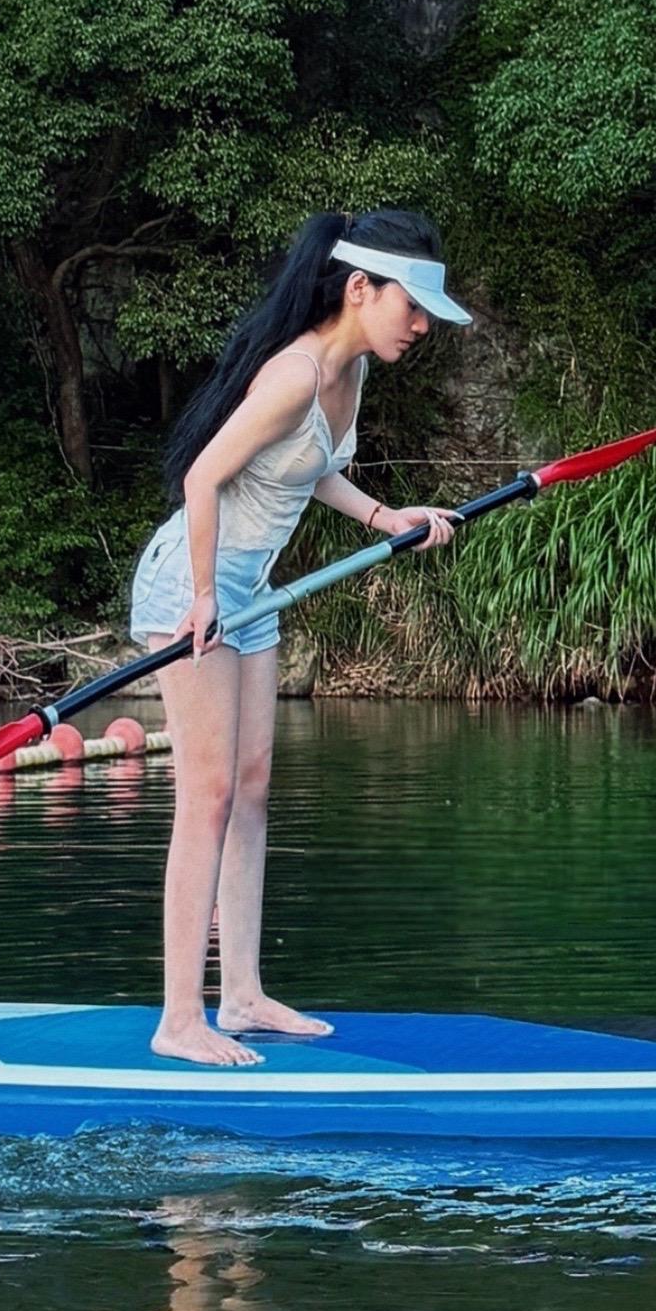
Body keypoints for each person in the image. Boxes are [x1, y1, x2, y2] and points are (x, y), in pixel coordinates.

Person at [132, 208, 469, 1065]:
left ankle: (240, 995)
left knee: (250, 790)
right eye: (414, 307)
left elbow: (312, 467)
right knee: (204, 799)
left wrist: (385, 514)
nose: (423, 327)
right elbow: (203, 475)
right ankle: (179, 1019)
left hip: (256, 591)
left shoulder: (350, 375)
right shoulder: (293, 372)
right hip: (193, 585)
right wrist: (205, 595)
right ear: (360, 289)